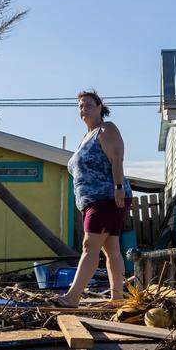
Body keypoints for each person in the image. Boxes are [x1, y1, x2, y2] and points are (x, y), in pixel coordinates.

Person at [56, 90, 134, 307]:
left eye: (89, 104)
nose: (84, 109)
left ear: (100, 107)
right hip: (92, 200)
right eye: (81, 105)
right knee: (111, 248)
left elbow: (117, 157)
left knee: (90, 245)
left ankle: (72, 297)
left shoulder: (106, 129)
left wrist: (118, 187)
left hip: (107, 197)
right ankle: (117, 299)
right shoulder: (85, 137)